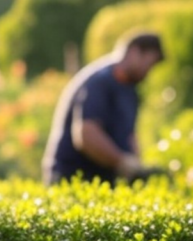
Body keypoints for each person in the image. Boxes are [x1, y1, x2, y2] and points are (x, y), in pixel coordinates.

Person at [41, 31, 165, 185]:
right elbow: (86, 134)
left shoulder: (130, 90)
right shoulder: (100, 82)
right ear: (134, 52)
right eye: (149, 63)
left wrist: (136, 164)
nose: (149, 71)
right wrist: (121, 161)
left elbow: (129, 134)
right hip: (72, 178)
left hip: (103, 181)